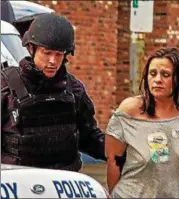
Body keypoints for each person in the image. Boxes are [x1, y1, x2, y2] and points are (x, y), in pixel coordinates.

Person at [1, 13, 106, 171]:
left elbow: (89, 137)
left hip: (63, 184)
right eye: (47, 52)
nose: (52, 61)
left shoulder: (74, 90)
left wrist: (124, 152)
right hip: (19, 185)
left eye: (59, 54)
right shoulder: (6, 87)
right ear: (31, 48)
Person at [105, 47, 179, 198]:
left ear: (177, 79)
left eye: (166, 75)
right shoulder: (129, 110)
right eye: (152, 73)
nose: (157, 80)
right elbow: (113, 161)